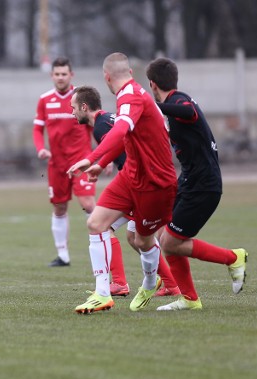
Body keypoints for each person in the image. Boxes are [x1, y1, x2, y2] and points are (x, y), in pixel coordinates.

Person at [67, 52, 178, 314]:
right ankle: (103, 293)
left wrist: (92, 158)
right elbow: (124, 137)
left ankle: (154, 283)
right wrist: (99, 163)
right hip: (131, 175)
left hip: (153, 180)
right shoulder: (127, 96)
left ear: (106, 77)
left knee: (142, 240)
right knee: (96, 223)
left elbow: (120, 130)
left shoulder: (130, 96)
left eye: (73, 107)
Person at [145, 58, 248, 311]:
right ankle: (190, 299)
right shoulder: (171, 105)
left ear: (152, 84)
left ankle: (233, 258)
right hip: (189, 181)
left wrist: (155, 107)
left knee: (170, 241)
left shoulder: (178, 100)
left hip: (204, 186)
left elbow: (189, 111)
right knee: (162, 233)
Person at [33, 57, 96, 267]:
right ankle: (63, 255)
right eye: (57, 74)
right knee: (59, 208)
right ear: (52, 76)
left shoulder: (82, 97)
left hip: (82, 161)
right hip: (57, 164)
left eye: (64, 74)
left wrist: (103, 157)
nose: (60, 77)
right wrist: (41, 148)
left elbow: (96, 125)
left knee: (88, 204)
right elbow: (37, 129)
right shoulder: (44, 100)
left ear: (71, 75)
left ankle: (105, 242)